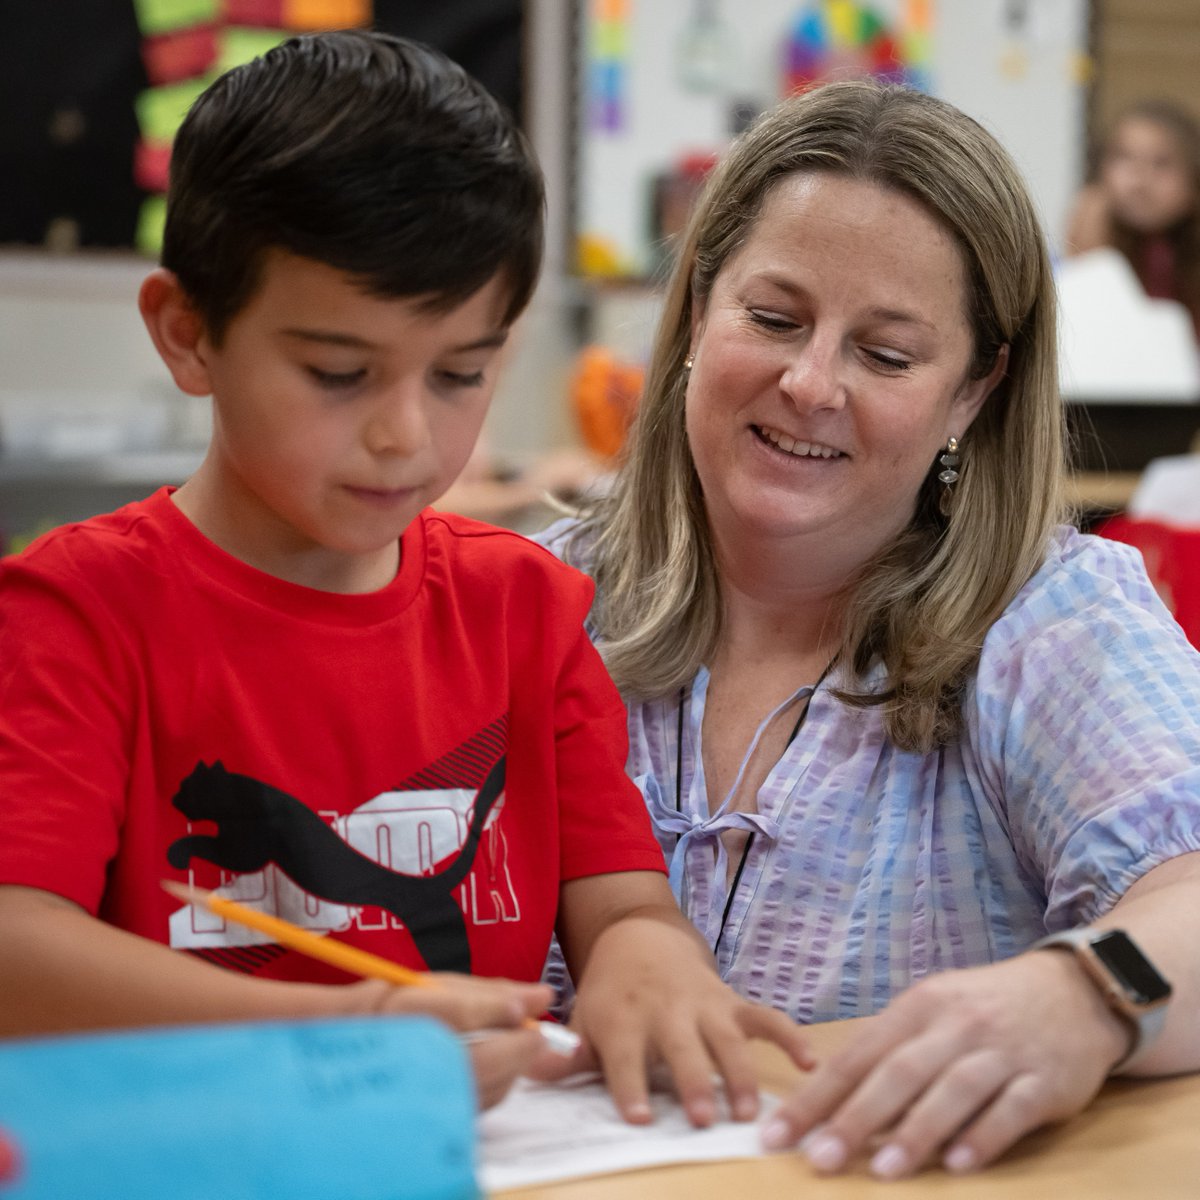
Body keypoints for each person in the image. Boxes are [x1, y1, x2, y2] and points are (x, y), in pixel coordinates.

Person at [0, 31, 809, 1119]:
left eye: (460, 373)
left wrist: (647, 965)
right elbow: (16, 954)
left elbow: (616, 905)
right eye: (340, 373)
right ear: (187, 334)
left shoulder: (523, 610)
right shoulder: (76, 615)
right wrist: (354, 1035)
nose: (404, 435)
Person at [543, 80, 1200, 1177]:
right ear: (697, 309)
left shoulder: (1051, 620)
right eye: (772, 317)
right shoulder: (533, 604)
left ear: (973, 393)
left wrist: (1088, 996)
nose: (809, 383)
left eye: (886, 355)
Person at [1066, 99, 1200, 338]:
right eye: (1124, 157)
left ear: (1193, 180)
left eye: (1161, 163)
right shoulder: (1094, 228)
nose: (1139, 180)